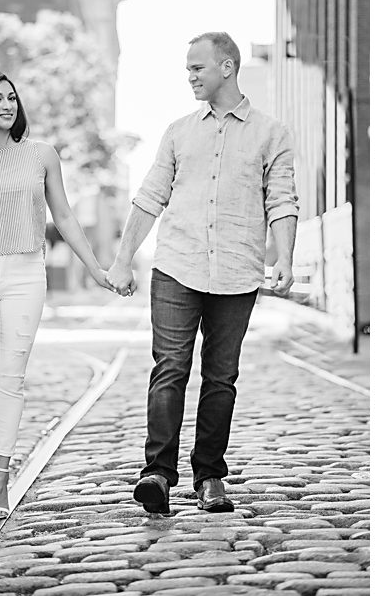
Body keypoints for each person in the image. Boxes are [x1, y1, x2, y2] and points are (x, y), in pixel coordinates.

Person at [106, 31, 298, 514]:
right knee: (169, 369)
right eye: (188, 69)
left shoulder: (271, 133)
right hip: (177, 266)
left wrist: (286, 260)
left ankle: (210, 476)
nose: (189, 76)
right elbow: (150, 197)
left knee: (221, 378)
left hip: (237, 271)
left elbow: (282, 201)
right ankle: (157, 473)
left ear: (228, 67)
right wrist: (123, 257)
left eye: (197, 68)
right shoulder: (178, 131)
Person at [0, 71, 114, 525]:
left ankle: (2, 475)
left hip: (25, 274)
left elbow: (65, 217)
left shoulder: (41, 155)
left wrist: (98, 270)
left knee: (11, 376)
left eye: (12, 97)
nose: (7, 105)